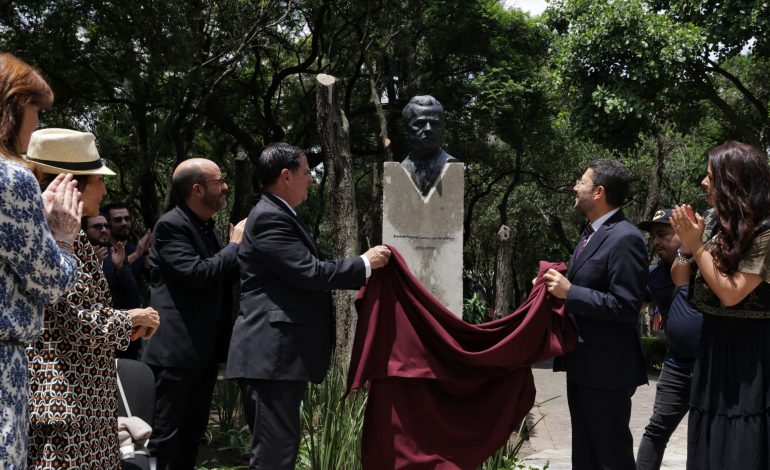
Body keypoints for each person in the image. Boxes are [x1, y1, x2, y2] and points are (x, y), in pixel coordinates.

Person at [226, 143, 391, 470]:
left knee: (279, 453)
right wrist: (364, 263)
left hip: (277, 360)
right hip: (271, 359)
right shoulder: (271, 218)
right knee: (273, 458)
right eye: (305, 173)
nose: (311, 180)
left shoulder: (279, 214)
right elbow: (309, 272)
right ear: (285, 176)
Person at [25, 128, 160, 468]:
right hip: (65, 405)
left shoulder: (72, 235)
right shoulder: (50, 237)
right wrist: (132, 318)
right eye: (97, 179)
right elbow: (77, 320)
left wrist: (124, 327)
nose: (103, 189)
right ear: (71, 184)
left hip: (87, 404)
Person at [0, 52, 81, 468]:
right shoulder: (12, 178)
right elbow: (50, 283)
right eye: (34, 115)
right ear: (13, 109)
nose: (33, 130)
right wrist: (62, 238)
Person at [542, 159, 648, 470]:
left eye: (581, 182)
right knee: (586, 456)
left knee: (610, 457)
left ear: (599, 192)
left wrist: (570, 292)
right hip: (584, 366)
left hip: (607, 372)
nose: (575, 187)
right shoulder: (591, 233)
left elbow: (627, 305)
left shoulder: (626, 237)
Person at [670, 141, 770, 470]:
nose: (703, 182)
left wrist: (697, 247)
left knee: (741, 441)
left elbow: (731, 293)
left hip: (750, 352)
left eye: (711, 176)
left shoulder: (765, 231)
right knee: (709, 435)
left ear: (733, 182)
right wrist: (686, 248)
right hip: (712, 345)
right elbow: (680, 279)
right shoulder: (715, 221)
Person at [142, 158, 247, 470]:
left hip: (201, 356)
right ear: (197, 189)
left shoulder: (206, 228)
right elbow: (198, 273)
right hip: (173, 357)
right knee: (163, 440)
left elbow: (221, 277)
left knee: (191, 439)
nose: (226, 186)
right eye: (219, 181)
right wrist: (233, 247)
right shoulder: (171, 225)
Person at [635, 209, 703, 470]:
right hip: (676, 367)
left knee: (704, 434)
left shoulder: (710, 262)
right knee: (656, 430)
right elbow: (623, 295)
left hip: (713, 367)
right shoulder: (654, 276)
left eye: (662, 234)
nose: (656, 241)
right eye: (653, 237)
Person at [102, 202, 152, 358]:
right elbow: (107, 272)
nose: (124, 223)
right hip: (109, 324)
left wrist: (144, 253)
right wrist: (137, 253)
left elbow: (150, 275)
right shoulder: (100, 250)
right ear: (108, 225)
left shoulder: (132, 247)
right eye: (118, 220)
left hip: (132, 327)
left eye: (127, 218)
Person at [400, 95, 458, 196]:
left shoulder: (450, 164)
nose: (428, 129)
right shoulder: (402, 169)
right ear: (406, 129)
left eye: (434, 124)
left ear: (442, 128)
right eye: (420, 123)